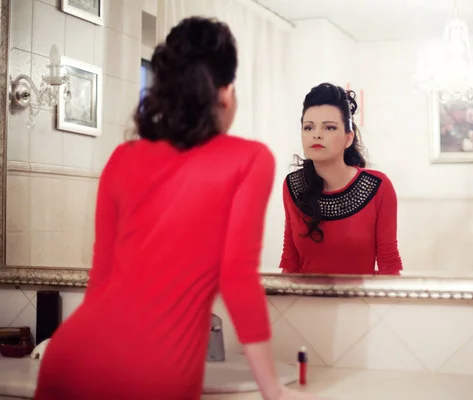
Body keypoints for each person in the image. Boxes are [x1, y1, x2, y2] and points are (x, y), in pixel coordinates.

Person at [35, 17, 322, 400]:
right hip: (156, 373)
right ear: (225, 92)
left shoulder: (122, 158)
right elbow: (237, 279)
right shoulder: (249, 159)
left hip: (69, 358)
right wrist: (272, 389)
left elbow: (102, 277)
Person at [279, 83, 403, 275]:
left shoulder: (378, 187)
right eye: (308, 127)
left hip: (360, 302)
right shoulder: (293, 185)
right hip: (305, 302)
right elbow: (290, 261)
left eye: (329, 128)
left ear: (348, 138)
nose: (317, 134)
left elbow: (389, 265)